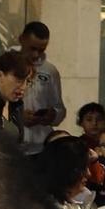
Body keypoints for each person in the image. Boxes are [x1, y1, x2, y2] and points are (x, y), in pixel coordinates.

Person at [12, 21, 66, 152]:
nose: (36, 54)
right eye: (32, 48)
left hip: (41, 145)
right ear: (21, 39)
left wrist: (52, 115)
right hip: (11, 144)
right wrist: (16, 117)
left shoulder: (50, 71)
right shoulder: (1, 66)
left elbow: (59, 108)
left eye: (41, 50)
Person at [0, 51, 33, 136]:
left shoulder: (17, 106)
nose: (23, 87)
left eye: (28, 82)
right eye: (19, 80)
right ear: (0, 75)